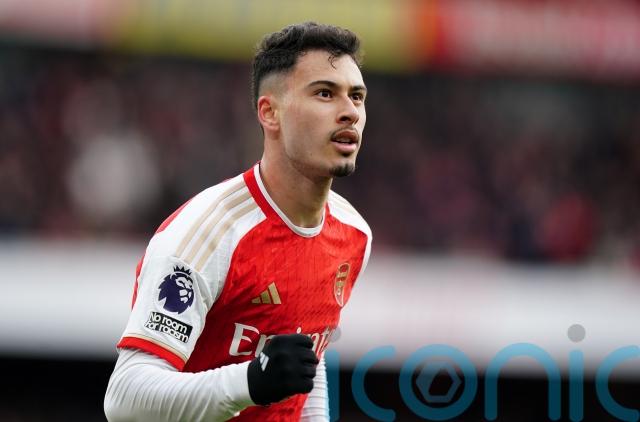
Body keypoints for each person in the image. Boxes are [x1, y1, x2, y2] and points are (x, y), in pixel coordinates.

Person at [104, 21, 372, 421]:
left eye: (357, 96)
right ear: (270, 113)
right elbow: (125, 397)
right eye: (324, 93)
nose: (349, 112)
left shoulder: (353, 234)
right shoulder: (205, 235)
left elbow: (304, 364)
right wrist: (250, 382)